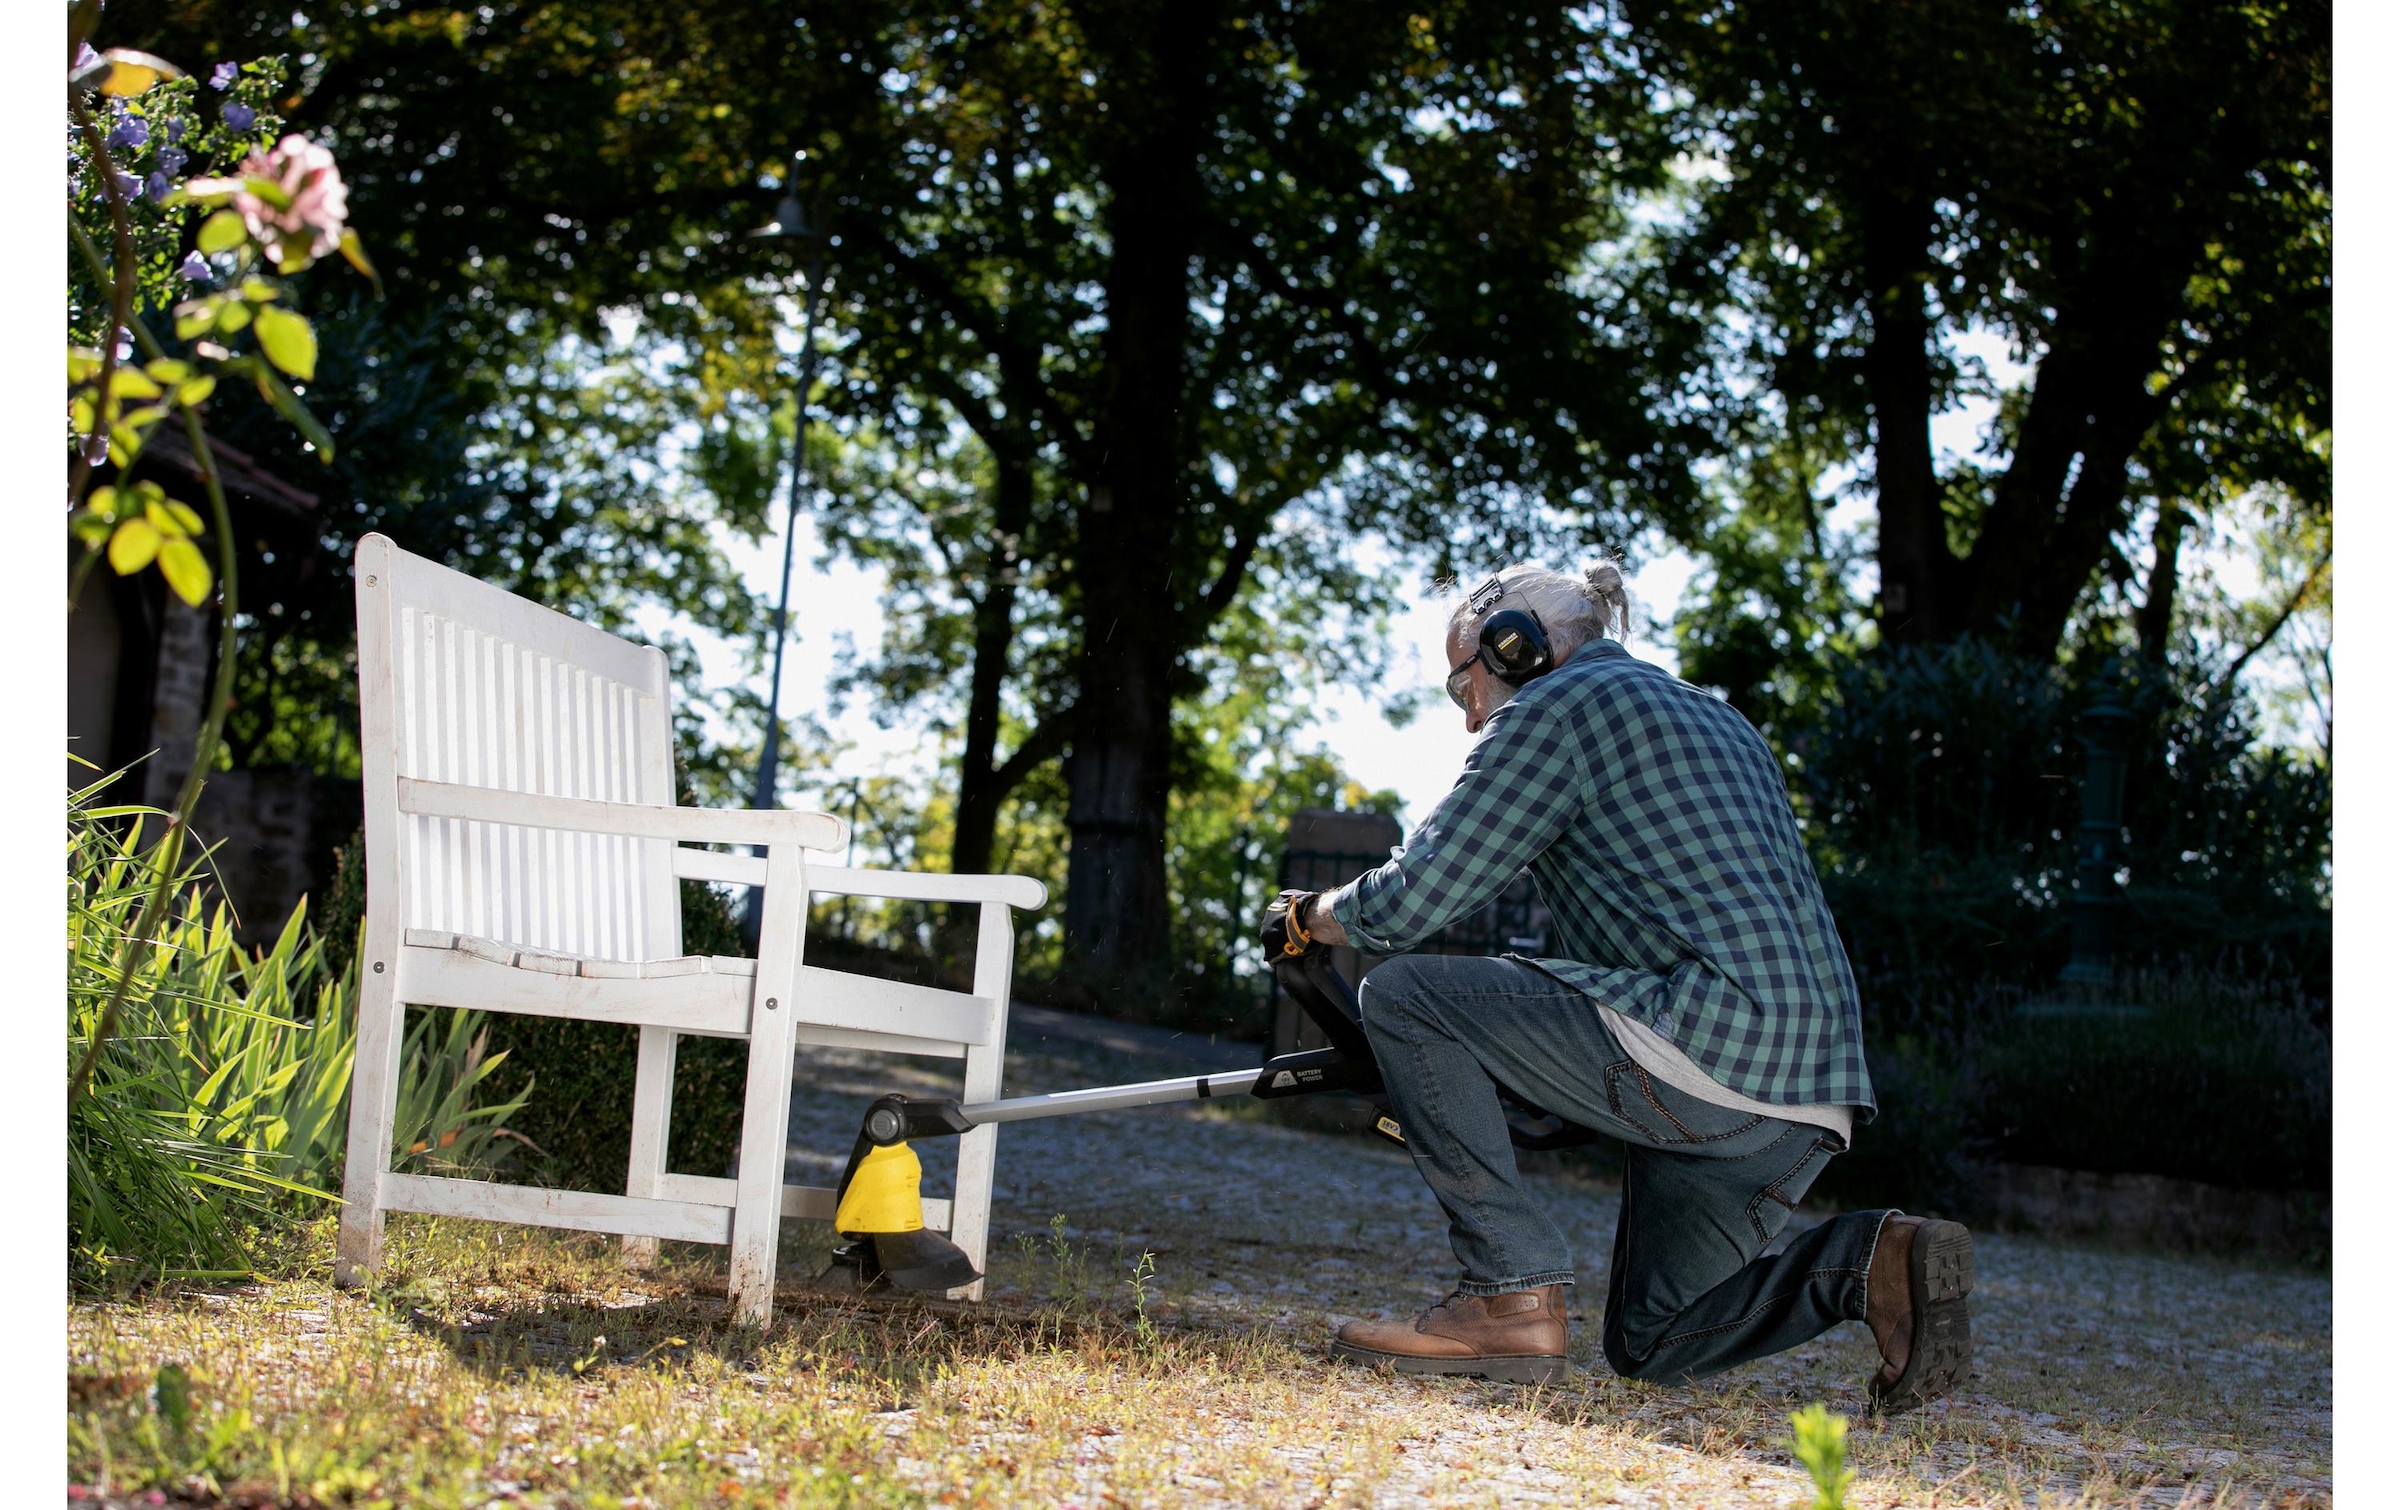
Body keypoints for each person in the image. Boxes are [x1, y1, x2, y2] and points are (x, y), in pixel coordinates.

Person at [1266, 560, 1972, 1410]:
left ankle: (1508, 1295)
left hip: (1711, 1043)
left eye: (1465, 689)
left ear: (1514, 647)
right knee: (1658, 1336)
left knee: (1407, 994)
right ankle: (1874, 1263)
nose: (1471, 720)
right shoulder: (1718, 717)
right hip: (1810, 1088)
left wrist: (1311, 916)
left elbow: (1416, 899)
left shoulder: (1554, 710)